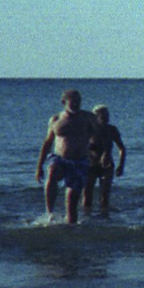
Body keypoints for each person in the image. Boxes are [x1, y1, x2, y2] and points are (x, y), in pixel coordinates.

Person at [35, 88, 98, 223]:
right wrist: (39, 166)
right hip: (60, 158)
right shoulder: (56, 119)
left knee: (71, 203)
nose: (76, 104)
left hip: (79, 161)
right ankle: (50, 212)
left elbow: (99, 138)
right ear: (64, 102)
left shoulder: (88, 118)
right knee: (52, 169)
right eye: (73, 102)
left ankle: (71, 229)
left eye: (78, 102)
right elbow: (47, 143)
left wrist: (99, 156)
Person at [83, 105, 127, 213]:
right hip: (90, 165)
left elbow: (121, 148)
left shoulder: (112, 130)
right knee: (87, 195)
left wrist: (121, 165)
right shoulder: (89, 130)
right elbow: (79, 146)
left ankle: (105, 217)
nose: (106, 117)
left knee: (105, 196)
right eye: (102, 115)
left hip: (107, 166)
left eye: (107, 115)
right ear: (95, 116)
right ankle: (86, 218)